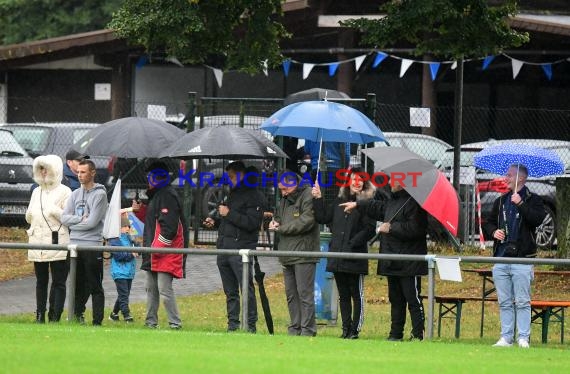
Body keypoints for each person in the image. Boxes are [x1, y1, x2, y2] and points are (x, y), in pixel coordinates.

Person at [342, 179, 428, 341]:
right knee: (395, 299)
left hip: (409, 261)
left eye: (393, 179)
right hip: (391, 258)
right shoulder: (392, 201)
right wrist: (358, 205)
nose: (389, 182)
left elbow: (417, 229)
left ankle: (418, 333)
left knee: (412, 298)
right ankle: (395, 333)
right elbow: (377, 207)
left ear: (403, 182)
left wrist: (392, 228)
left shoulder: (415, 203)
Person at [483, 164, 546, 349]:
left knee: (522, 300)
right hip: (501, 257)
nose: (506, 178)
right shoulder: (501, 201)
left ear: (521, 178)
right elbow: (488, 223)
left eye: (509, 175)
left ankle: (523, 338)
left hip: (522, 258)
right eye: (507, 174)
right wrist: (494, 231)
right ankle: (506, 337)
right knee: (504, 301)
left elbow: (537, 219)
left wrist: (520, 203)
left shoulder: (533, 200)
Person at [312, 168, 376, 339]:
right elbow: (323, 217)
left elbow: (369, 229)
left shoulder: (367, 203)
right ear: (348, 181)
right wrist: (318, 198)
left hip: (355, 257)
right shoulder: (339, 200)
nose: (357, 182)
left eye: (360, 179)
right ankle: (345, 329)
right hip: (338, 256)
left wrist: (352, 243)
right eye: (353, 179)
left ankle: (355, 330)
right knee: (343, 295)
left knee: (356, 293)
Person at [203, 161, 263, 333]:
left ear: (241, 174)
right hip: (224, 247)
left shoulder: (254, 196)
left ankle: (250, 325)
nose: (228, 180)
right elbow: (229, 220)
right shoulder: (232, 194)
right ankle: (233, 324)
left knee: (246, 288)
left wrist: (229, 213)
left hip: (241, 248)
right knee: (230, 291)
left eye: (231, 176)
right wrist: (215, 221)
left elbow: (252, 223)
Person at [137, 160, 188, 330]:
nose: (148, 179)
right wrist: (141, 211)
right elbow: (153, 220)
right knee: (151, 289)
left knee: (164, 290)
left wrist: (156, 249)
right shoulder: (158, 195)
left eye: (150, 176)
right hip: (154, 252)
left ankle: (175, 323)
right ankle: (150, 322)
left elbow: (170, 228)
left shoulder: (167, 196)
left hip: (165, 252)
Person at [269, 171, 320, 336]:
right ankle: (295, 328)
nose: (282, 193)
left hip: (304, 253)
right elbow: (279, 217)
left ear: (294, 184)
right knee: (291, 295)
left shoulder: (308, 195)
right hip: (286, 252)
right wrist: (275, 221)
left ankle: (308, 330)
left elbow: (307, 221)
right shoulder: (284, 200)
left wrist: (281, 228)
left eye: (285, 189)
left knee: (304, 294)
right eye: (281, 190)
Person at [25, 155, 72, 323]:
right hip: (37, 240)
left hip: (57, 240)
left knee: (59, 281)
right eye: (40, 169)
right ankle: (39, 315)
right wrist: (31, 215)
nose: (43, 172)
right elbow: (29, 216)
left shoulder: (65, 191)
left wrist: (53, 210)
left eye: (46, 169)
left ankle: (55, 315)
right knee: (41, 281)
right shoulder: (36, 191)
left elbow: (68, 218)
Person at [61, 159, 108, 326]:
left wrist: (76, 222)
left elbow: (93, 222)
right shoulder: (74, 194)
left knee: (94, 284)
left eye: (83, 172)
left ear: (92, 173)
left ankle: (97, 321)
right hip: (74, 245)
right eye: (78, 172)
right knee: (76, 284)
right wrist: (80, 218)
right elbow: (63, 218)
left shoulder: (100, 194)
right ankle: (76, 315)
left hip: (92, 245)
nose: (79, 175)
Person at [108, 213, 137, 323]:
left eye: (128, 227)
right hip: (119, 272)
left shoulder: (130, 239)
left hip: (129, 272)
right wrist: (131, 254)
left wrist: (136, 244)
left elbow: (138, 248)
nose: (127, 229)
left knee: (124, 294)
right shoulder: (115, 240)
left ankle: (114, 314)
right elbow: (119, 255)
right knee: (124, 295)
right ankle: (127, 315)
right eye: (125, 227)